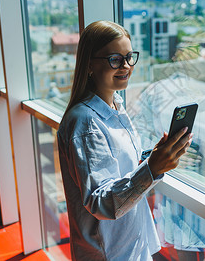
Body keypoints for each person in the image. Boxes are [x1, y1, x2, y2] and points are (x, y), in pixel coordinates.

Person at [57, 20, 193, 261]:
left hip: (129, 244)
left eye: (130, 57)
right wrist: (152, 168)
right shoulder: (85, 122)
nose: (126, 66)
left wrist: (153, 158)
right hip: (111, 252)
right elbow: (101, 202)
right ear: (89, 64)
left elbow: (119, 170)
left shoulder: (115, 105)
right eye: (115, 59)